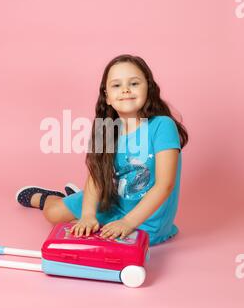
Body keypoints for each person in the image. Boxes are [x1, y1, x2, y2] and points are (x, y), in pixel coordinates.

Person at [16, 54, 188, 246]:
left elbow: (165, 184)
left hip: (145, 220)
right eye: (116, 85)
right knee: (53, 214)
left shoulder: (162, 126)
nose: (125, 90)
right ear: (107, 97)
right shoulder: (105, 129)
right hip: (113, 204)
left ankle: (76, 197)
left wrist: (127, 222)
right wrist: (88, 215)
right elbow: (97, 175)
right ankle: (48, 198)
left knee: (96, 235)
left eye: (134, 83)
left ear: (149, 88)